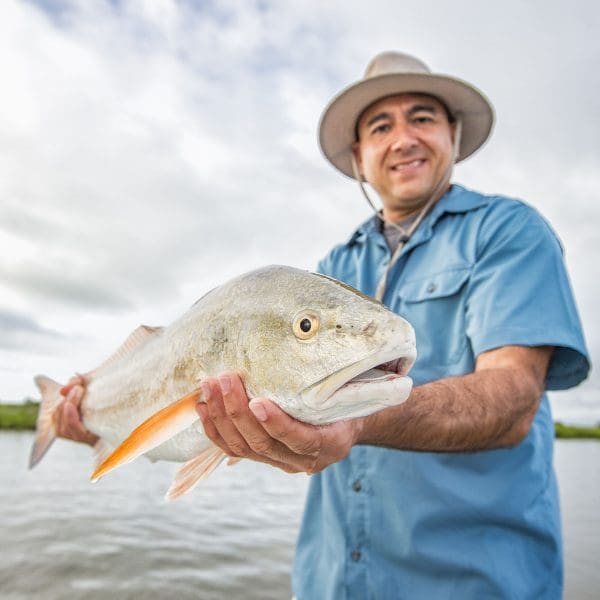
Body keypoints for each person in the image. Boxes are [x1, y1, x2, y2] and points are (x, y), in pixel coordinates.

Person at [57, 51, 590, 599]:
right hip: (328, 581)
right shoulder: (334, 265)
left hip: (477, 585)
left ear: (453, 135)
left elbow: (512, 399)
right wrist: (92, 422)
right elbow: (258, 413)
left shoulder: (509, 232)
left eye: (423, 117)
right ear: (359, 156)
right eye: (381, 126)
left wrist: (361, 419)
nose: (403, 138)